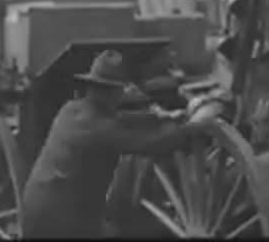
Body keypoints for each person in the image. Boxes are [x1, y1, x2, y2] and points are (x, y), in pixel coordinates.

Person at [20, 50, 204, 238]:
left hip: (35, 207)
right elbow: (152, 143)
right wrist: (194, 127)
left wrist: (159, 116)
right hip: (62, 224)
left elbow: (120, 119)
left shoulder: (72, 109)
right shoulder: (102, 130)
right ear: (114, 92)